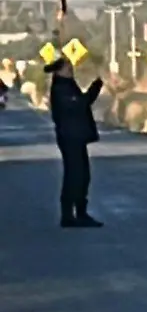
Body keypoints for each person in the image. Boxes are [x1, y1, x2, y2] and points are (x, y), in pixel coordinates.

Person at [47, 56, 104, 228]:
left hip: (76, 137)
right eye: (67, 67)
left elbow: (82, 103)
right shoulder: (60, 89)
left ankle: (80, 212)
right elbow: (80, 104)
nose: (71, 69)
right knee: (74, 176)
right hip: (69, 137)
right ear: (59, 70)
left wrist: (96, 86)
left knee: (83, 175)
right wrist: (96, 86)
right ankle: (68, 216)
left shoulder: (68, 86)